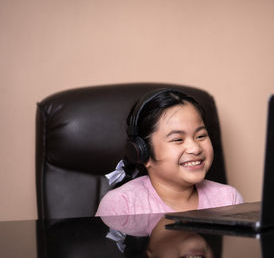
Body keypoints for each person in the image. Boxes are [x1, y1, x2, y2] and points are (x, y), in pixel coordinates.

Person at [96, 88, 243, 216]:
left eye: (201, 136)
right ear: (143, 152)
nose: (195, 148)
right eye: (178, 139)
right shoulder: (122, 205)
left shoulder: (228, 199)